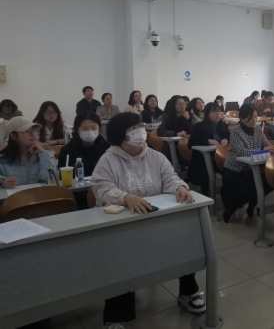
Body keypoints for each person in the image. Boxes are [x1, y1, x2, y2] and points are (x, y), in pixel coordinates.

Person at [91, 113, 205, 328]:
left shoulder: (155, 156)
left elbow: (170, 177)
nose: (140, 131)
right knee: (119, 261)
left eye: (140, 126)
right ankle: (115, 315)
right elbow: (101, 188)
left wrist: (180, 187)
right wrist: (125, 197)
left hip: (155, 220)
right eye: (133, 128)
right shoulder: (108, 159)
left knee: (184, 242)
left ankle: (188, 291)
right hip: (123, 226)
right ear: (121, 135)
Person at [220, 104, 274, 223]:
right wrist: (263, 150)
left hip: (253, 168)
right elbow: (242, 152)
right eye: (250, 117)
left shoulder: (258, 129)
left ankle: (253, 203)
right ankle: (231, 208)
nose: (254, 120)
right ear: (242, 118)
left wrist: (272, 149)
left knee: (271, 181)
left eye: (255, 116)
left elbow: (266, 144)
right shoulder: (235, 131)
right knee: (245, 189)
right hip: (235, 170)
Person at [58, 112, 110, 209]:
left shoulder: (108, 147)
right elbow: (64, 177)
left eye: (94, 128)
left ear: (99, 128)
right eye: (84, 129)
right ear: (77, 129)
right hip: (78, 196)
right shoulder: (67, 150)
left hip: (105, 192)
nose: (90, 132)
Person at [0, 116, 56, 189]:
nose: (33, 134)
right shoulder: (2, 159)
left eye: (35, 130)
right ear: (13, 136)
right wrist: (2, 184)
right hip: (15, 196)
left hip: (40, 195)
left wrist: (43, 153)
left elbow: (51, 179)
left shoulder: (44, 154)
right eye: (26, 131)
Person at [188, 102, 229, 196]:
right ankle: (206, 197)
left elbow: (229, 136)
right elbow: (190, 143)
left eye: (219, 111)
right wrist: (208, 141)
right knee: (206, 173)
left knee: (231, 170)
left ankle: (227, 195)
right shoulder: (199, 126)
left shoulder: (223, 125)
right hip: (203, 159)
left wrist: (226, 139)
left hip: (220, 157)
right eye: (214, 111)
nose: (217, 114)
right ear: (207, 114)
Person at [157, 96, 192, 160]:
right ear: (174, 106)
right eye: (179, 104)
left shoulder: (189, 115)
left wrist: (188, 119)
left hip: (187, 144)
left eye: (184, 103)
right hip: (172, 147)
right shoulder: (168, 117)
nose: (182, 106)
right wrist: (176, 133)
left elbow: (196, 130)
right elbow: (160, 131)